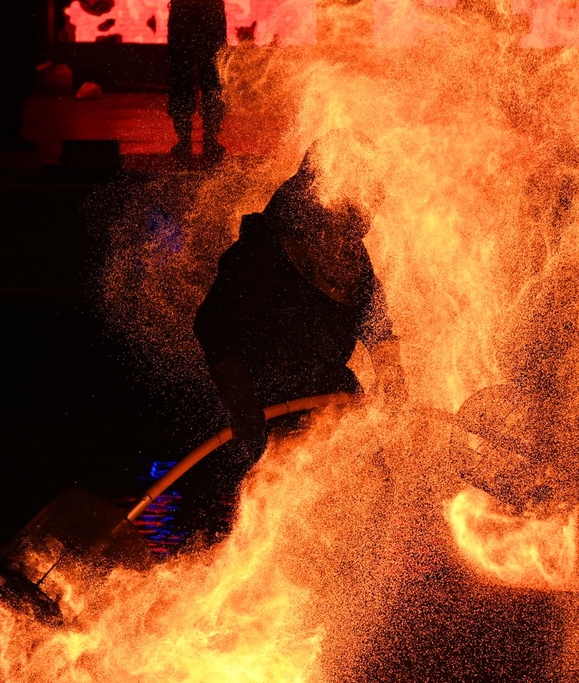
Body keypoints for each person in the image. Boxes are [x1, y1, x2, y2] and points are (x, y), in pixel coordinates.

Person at [191, 130, 404, 534]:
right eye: (364, 195)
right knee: (282, 520)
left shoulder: (352, 257)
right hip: (267, 403)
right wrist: (241, 403)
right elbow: (213, 328)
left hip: (335, 397)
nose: (370, 211)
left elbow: (378, 328)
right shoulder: (263, 252)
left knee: (370, 503)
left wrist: (393, 385)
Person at [167, 0, 227, 161]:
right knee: (210, 77)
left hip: (190, 10)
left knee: (185, 77)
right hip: (204, 10)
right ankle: (207, 139)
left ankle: (191, 140)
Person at [0, 0, 39, 152]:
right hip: (9, 54)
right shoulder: (17, 10)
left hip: (0, 54)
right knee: (11, 97)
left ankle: (1, 139)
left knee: (4, 97)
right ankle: (7, 138)